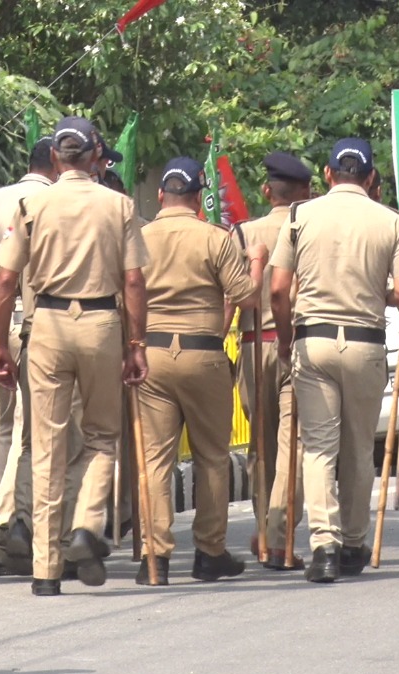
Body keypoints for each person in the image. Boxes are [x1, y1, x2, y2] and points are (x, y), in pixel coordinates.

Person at [0, 116, 150, 596]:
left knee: (46, 444)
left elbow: (3, 280)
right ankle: (85, 526)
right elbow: (135, 281)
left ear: (56, 158)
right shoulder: (119, 205)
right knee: (102, 436)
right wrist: (136, 344)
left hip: (48, 326)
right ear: (96, 155)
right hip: (102, 323)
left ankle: (45, 570)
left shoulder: (31, 205)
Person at [271, 137, 399, 584]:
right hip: (365, 342)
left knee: (318, 446)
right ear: (372, 178)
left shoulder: (300, 216)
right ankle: (354, 542)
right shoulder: (391, 222)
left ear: (328, 174)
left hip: (312, 342)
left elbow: (278, 289)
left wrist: (284, 340)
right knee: (358, 446)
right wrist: (376, 292)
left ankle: (324, 546)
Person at [134, 157, 266, 585]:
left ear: (160, 197)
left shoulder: (140, 236)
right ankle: (210, 551)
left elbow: (126, 294)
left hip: (151, 354)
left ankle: (155, 558)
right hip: (203, 353)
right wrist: (258, 265)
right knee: (212, 457)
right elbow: (244, 296)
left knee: (154, 459)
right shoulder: (215, 238)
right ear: (197, 197)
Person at [0, 138, 85, 578]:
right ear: (56, 165)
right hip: (44, 322)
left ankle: (3, 531)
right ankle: (29, 525)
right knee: (38, 429)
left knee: (6, 425)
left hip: (5, 319)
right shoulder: (57, 201)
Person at [236, 152, 312, 570]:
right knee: (293, 444)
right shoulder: (311, 227)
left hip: (251, 346)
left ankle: (265, 533)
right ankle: (281, 535)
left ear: (267, 191)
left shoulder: (243, 232)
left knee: (260, 446)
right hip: (297, 343)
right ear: (307, 191)